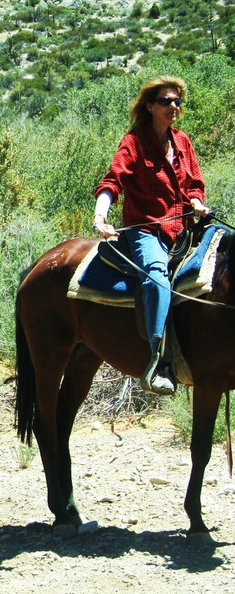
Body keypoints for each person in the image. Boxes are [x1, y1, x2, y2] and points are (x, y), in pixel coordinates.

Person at [93, 75, 208, 395]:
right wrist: (100, 216)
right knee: (157, 275)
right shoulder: (134, 143)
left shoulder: (183, 141)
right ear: (149, 106)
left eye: (177, 101)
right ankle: (159, 359)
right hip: (146, 230)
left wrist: (197, 202)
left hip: (183, 229)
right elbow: (113, 182)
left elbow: (194, 185)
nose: (174, 106)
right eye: (166, 101)